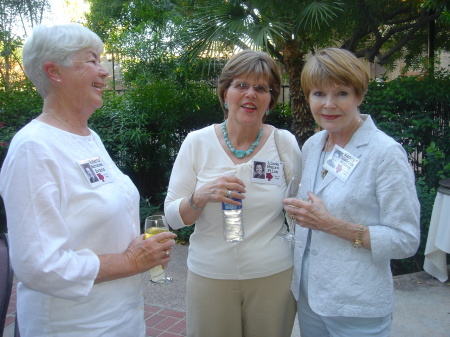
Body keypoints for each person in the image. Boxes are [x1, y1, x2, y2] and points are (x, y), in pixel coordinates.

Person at [0, 24, 176, 337]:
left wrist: (138, 257)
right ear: (54, 71)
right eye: (92, 61)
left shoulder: (89, 137)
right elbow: (38, 265)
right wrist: (130, 261)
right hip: (72, 327)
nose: (104, 71)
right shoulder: (33, 148)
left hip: (122, 318)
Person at [283, 48, 420, 337]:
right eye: (318, 93)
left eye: (342, 93)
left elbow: (406, 240)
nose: (328, 104)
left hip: (357, 305)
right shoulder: (313, 145)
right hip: (310, 297)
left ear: (359, 95)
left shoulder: (385, 153)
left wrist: (332, 225)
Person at [165, 50, 302, 337]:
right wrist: (200, 196)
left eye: (261, 88)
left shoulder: (284, 144)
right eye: (241, 85)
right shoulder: (197, 143)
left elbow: (300, 211)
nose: (250, 94)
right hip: (210, 276)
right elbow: (173, 218)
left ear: (271, 99)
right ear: (225, 92)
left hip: (272, 276)